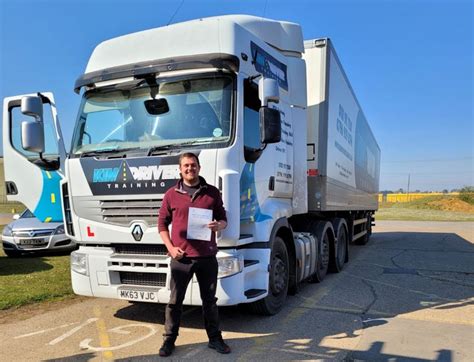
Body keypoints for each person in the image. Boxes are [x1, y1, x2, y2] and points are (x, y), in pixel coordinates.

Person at [158, 152, 231, 357]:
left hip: (207, 257)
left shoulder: (212, 193)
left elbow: (224, 218)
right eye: (186, 166)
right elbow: (162, 224)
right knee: (175, 302)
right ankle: (169, 341)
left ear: (199, 167)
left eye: (193, 165)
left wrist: (219, 225)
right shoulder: (171, 194)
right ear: (180, 170)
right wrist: (171, 248)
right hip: (181, 258)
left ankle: (215, 339)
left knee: (209, 301)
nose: (190, 169)